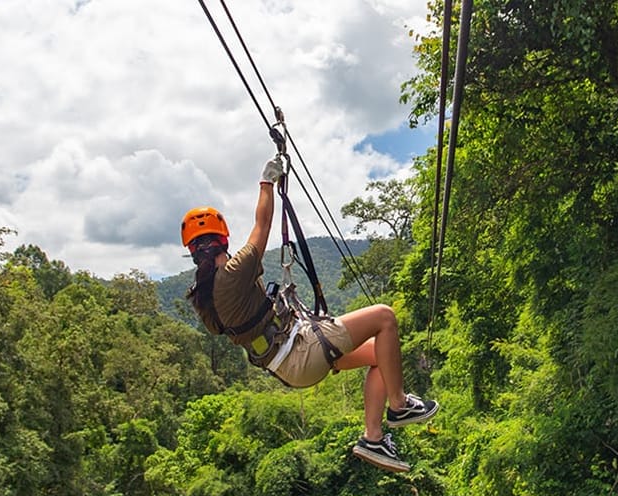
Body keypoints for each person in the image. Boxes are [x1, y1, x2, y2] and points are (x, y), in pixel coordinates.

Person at [181, 155, 439, 473]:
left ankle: (373, 437)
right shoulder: (233, 273)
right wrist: (267, 182)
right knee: (384, 317)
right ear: (224, 238)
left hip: (288, 362)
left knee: (379, 359)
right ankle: (399, 406)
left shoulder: (203, 296)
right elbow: (262, 226)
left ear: (191, 250)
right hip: (300, 351)